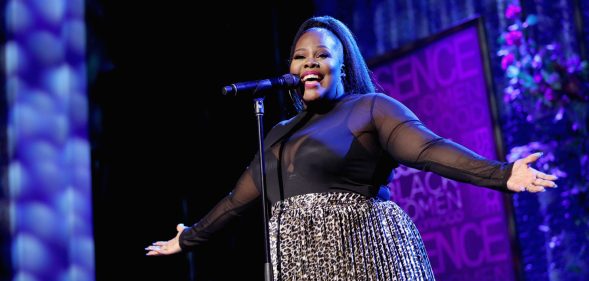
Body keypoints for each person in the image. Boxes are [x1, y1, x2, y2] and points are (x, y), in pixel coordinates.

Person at [145, 16, 558, 280]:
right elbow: (238, 200)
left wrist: (503, 174)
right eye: (299, 57)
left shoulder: (370, 109)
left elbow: (430, 150)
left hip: (367, 257)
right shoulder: (279, 133)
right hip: (302, 268)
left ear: (341, 65)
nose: (308, 62)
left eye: (321, 55)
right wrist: (189, 238)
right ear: (289, 68)